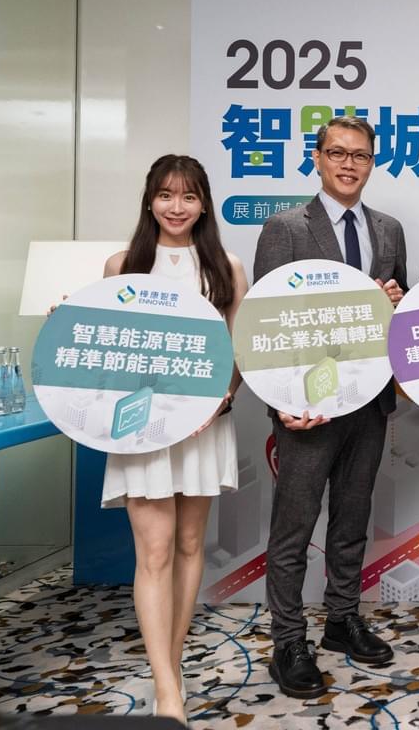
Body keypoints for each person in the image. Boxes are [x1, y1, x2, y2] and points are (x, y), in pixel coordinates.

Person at [253, 115, 407, 699]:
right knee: (293, 527)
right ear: (316, 159)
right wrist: (281, 402)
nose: (348, 164)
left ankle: (342, 619)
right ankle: (289, 641)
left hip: (368, 400)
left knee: (351, 517)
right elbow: (265, 323)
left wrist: (395, 299)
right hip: (307, 406)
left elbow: (396, 317)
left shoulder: (388, 229)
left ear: (372, 163)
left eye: (360, 155)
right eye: (337, 153)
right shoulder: (285, 228)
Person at [99, 154, 248, 723]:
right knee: (155, 551)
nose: (176, 207)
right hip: (142, 428)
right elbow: (107, 350)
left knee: (189, 546)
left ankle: (172, 663)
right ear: (149, 200)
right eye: (165, 195)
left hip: (204, 426)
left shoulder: (226, 267)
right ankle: (168, 693)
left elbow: (237, 352)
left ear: (204, 203)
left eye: (188, 196)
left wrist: (222, 398)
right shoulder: (122, 266)